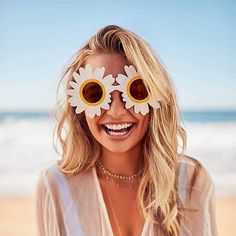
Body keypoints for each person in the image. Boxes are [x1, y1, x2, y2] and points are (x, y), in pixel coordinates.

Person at [35, 25, 218, 236]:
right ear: (80, 106)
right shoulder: (55, 188)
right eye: (95, 93)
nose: (116, 110)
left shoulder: (192, 182)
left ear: (155, 98)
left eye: (135, 90)